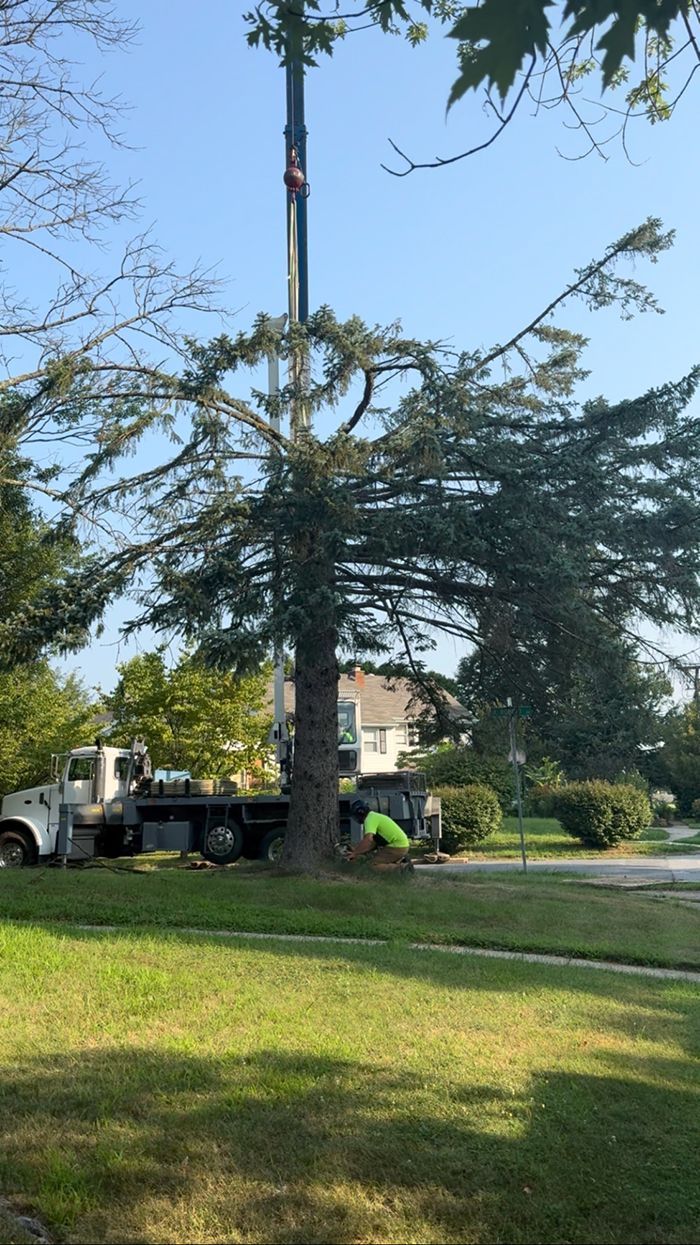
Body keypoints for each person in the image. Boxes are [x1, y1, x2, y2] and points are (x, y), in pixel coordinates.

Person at [346, 799, 413, 871]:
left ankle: (402, 868)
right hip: (402, 844)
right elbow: (372, 843)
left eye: (355, 816)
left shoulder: (369, 819)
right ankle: (401, 860)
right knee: (373, 858)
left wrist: (355, 853)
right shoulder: (375, 816)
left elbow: (368, 840)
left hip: (397, 846)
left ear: (360, 813)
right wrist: (357, 851)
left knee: (372, 865)